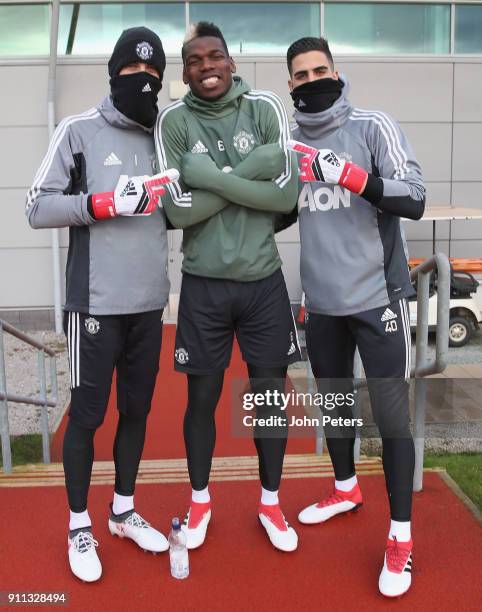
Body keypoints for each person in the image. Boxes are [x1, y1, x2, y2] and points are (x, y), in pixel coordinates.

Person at [26, 27, 175, 583]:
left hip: (148, 306)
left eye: (154, 77)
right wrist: (103, 203)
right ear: (113, 74)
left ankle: (123, 510)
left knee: (136, 413)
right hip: (93, 305)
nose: (145, 84)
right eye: (135, 75)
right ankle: (78, 524)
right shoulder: (78, 131)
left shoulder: (166, 133)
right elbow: (37, 207)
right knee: (87, 418)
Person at [285, 37, 425, 596]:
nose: (314, 78)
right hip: (322, 305)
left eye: (321, 68)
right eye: (302, 73)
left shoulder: (373, 126)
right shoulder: (287, 140)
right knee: (337, 409)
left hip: (379, 299)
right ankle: (345, 487)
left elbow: (413, 196)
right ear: (290, 84)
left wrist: (348, 174)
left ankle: (401, 537)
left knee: (391, 421)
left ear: (336, 71)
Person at [155, 22, 301, 553]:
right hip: (203, 286)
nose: (207, 67)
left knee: (268, 401)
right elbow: (174, 209)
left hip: (263, 282)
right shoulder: (173, 121)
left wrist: (210, 176)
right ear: (185, 70)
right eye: (195, 61)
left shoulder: (263, 108)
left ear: (231, 62)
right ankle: (199, 501)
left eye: (215, 57)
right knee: (202, 401)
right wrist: (251, 173)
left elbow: (286, 199)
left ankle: (269, 502)